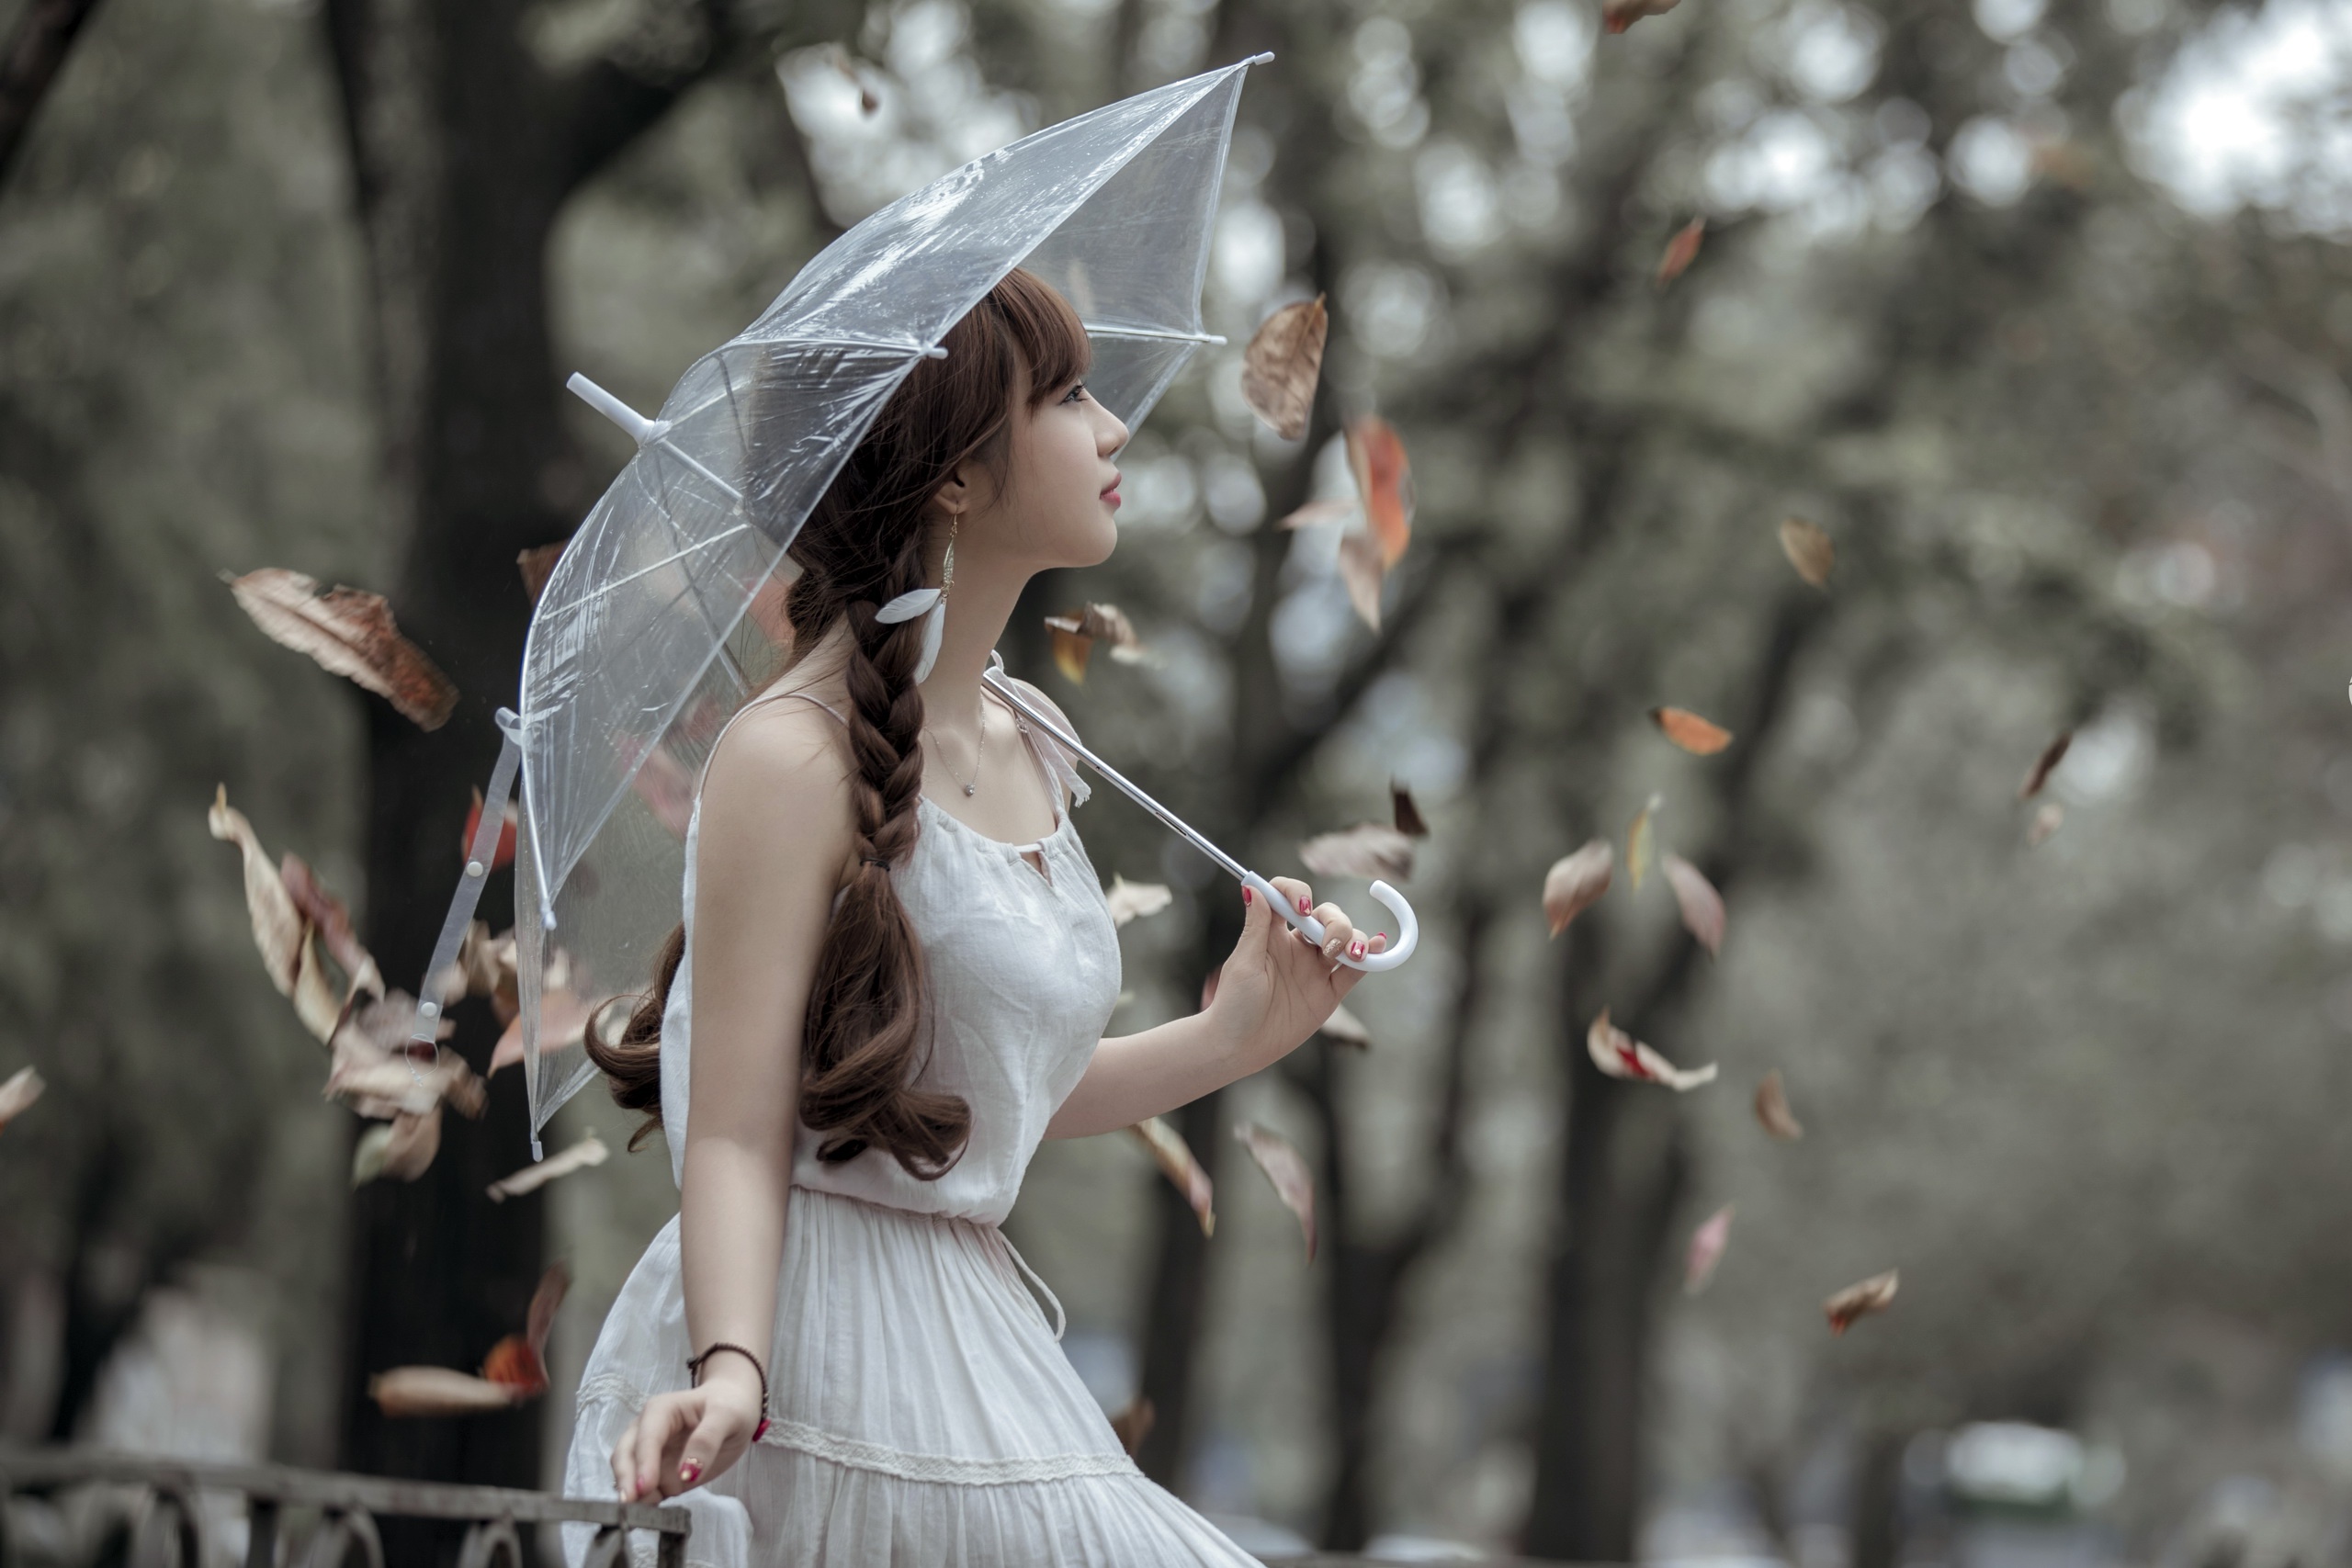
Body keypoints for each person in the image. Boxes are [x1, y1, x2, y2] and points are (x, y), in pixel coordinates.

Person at [562, 267, 1385, 1567]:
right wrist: (731, 1368)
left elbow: (985, 1095)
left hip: (980, 1341)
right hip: (810, 1351)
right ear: (951, 476)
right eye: (1064, 396)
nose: (1112, 428)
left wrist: (1236, 1031)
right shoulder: (788, 757)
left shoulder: (1037, 734)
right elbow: (729, 1124)